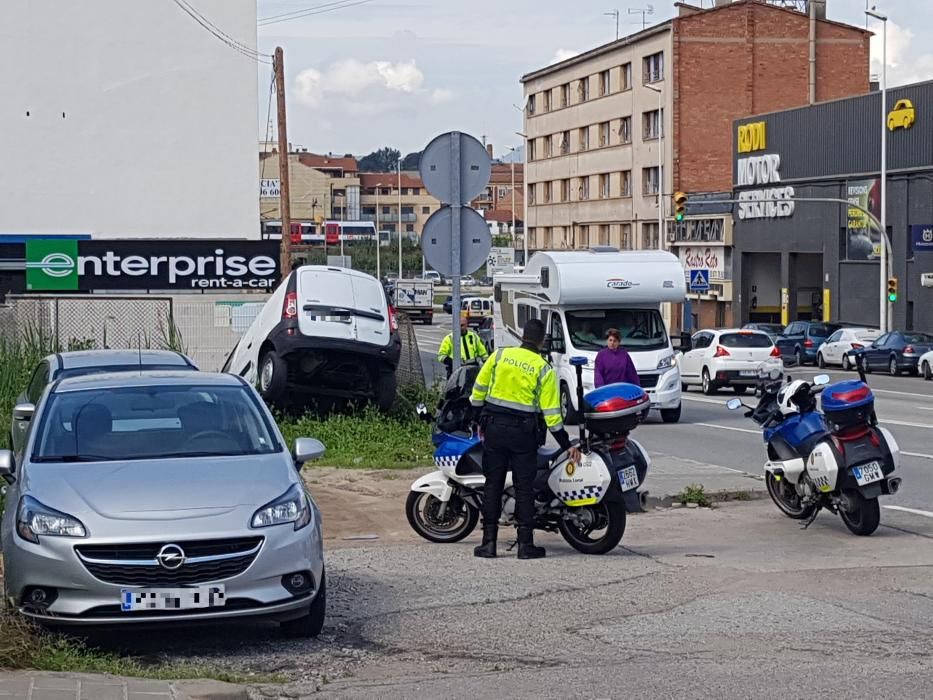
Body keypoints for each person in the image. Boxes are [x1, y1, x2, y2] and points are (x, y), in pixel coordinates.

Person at [470, 319, 582, 560]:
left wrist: (477, 419)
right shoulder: (543, 368)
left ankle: (488, 544)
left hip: (494, 430)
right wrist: (567, 445)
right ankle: (525, 545)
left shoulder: (500, 356)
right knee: (524, 488)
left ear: (522, 336)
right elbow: (552, 416)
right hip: (523, 435)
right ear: (541, 341)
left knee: (493, 485)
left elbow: (478, 390)